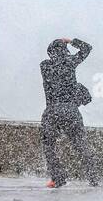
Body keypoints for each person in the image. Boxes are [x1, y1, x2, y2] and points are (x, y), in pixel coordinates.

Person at [39, 37, 97, 187]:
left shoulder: (44, 66)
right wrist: (71, 41)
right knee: (81, 145)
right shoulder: (70, 63)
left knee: (49, 146)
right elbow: (87, 48)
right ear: (66, 52)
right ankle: (93, 178)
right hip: (71, 111)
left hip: (52, 112)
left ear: (51, 53)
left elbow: (56, 61)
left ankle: (57, 178)